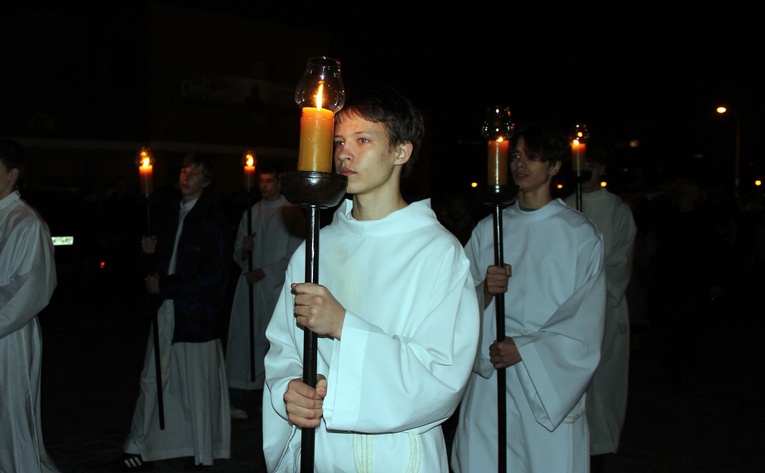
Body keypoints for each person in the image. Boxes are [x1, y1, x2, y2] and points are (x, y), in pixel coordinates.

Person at [261, 87, 480, 472]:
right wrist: (289, 389)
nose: (344, 153)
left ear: (401, 151)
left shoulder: (438, 253)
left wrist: (344, 325)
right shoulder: (316, 247)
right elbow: (284, 348)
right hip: (322, 449)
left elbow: (442, 377)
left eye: (363, 140)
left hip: (397, 454)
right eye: (340, 141)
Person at [451, 123, 607, 473]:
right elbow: (453, 303)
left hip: (547, 383)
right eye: (516, 156)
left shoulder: (580, 235)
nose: (520, 164)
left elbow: (586, 319)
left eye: (532, 157)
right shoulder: (489, 228)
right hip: (490, 376)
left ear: (553, 166)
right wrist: (484, 292)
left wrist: (526, 348)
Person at [106, 152, 231, 471]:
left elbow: (213, 276)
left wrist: (167, 284)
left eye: (195, 172)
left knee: (194, 386)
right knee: (152, 377)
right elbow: (164, 263)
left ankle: (199, 446)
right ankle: (140, 442)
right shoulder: (166, 214)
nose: (186, 176)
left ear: (207, 181)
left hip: (194, 317)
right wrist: (151, 253)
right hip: (166, 311)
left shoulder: (211, 223)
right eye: (185, 170)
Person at [563, 149, 637, 471]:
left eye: (592, 166)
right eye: (583, 165)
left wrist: (594, 281)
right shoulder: (563, 206)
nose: (588, 171)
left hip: (604, 306)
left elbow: (621, 259)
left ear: (602, 168)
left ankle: (598, 452)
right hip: (567, 309)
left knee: (601, 384)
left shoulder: (617, 209)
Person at [225, 161, 305, 419]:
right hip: (249, 285)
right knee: (242, 340)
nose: (263, 186)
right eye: (260, 181)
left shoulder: (291, 212)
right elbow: (237, 250)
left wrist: (267, 272)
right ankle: (239, 396)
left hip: (272, 288)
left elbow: (295, 254)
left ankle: (264, 397)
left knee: (267, 341)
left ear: (279, 182)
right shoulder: (252, 212)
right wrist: (245, 250)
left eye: (268, 181)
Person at [0, 139, 61, 473]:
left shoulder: (27, 224)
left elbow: (32, 290)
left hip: (11, 337)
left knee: (13, 418)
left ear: (13, 174)